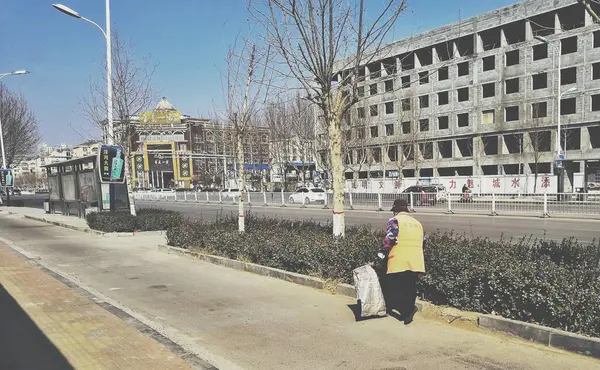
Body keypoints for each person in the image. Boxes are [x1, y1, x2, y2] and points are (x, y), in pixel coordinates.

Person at [378, 199, 426, 325]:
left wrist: (383, 251)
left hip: (399, 258)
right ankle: (409, 311)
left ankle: (402, 310)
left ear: (396, 211)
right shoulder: (417, 223)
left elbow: (391, 236)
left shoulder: (394, 221)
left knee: (396, 284)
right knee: (410, 284)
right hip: (416, 259)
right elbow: (424, 240)